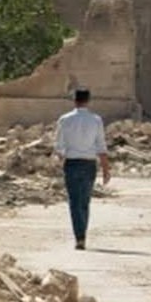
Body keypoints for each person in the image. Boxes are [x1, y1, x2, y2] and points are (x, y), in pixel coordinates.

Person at [53, 89, 111, 250]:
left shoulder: (65, 120)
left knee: (74, 202)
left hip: (72, 163)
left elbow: (59, 146)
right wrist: (106, 169)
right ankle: (82, 234)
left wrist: (60, 161)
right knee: (85, 201)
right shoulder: (96, 120)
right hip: (89, 164)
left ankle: (79, 237)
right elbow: (101, 146)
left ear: (74, 100)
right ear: (88, 100)